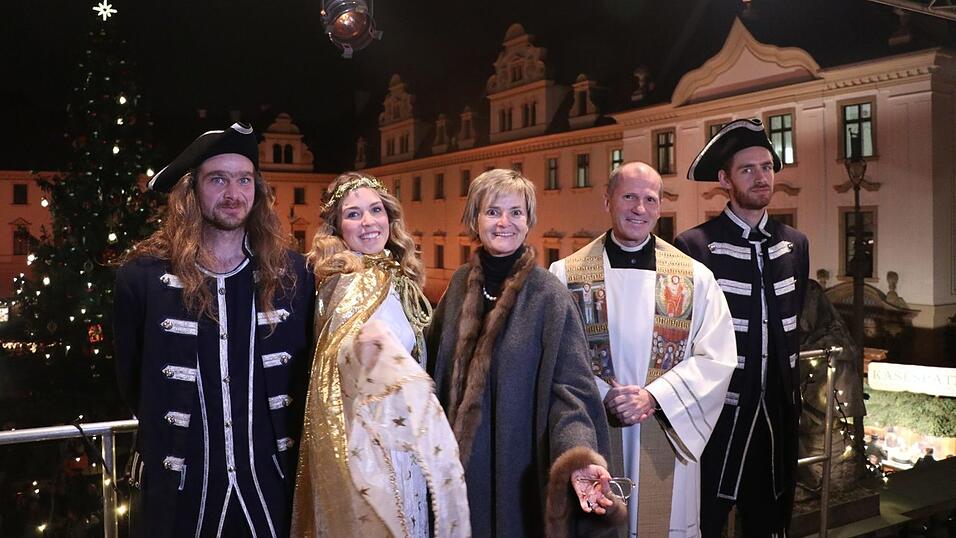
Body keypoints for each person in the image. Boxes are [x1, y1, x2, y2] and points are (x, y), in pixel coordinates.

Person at [113, 123, 315, 537]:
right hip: (184, 487)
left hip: (273, 482)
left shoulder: (293, 273)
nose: (233, 194)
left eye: (244, 180)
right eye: (218, 179)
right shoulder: (143, 277)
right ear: (192, 191)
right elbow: (130, 379)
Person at [428, 169, 625, 537]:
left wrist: (578, 458)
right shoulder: (457, 286)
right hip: (458, 479)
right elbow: (429, 365)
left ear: (529, 220)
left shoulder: (548, 296)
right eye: (493, 212)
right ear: (474, 219)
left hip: (515, 481)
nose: (505, 222)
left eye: (516, 212)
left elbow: (573, 395)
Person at [551, 162, 737, 537]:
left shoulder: (693, 277)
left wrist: (654, 397)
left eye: (650, 199)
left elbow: (717, 357)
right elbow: (554, 360)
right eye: (629, 197)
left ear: (659, 207)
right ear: (608, 201)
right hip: (594, 427)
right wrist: (602, 395)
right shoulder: (564, 275)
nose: (639, 208)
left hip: (664, 427)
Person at [291, 172, 469, 537]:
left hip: (405, 447)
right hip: (369, 452)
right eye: (353, 214)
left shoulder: (394, 277)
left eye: (376, 210)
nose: (369, 222)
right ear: (337, 227)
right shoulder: (349, 283)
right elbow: (340, 365)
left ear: (391, 217)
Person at [674, 119, 810, 537]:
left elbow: (795, 319)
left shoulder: (795, 244)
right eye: (747, 169)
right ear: (724, 179)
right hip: (717, 417)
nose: (761, 177)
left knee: (769, 521)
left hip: (778, 415)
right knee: (705, 520)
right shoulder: (694, 246)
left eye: (767, 167)